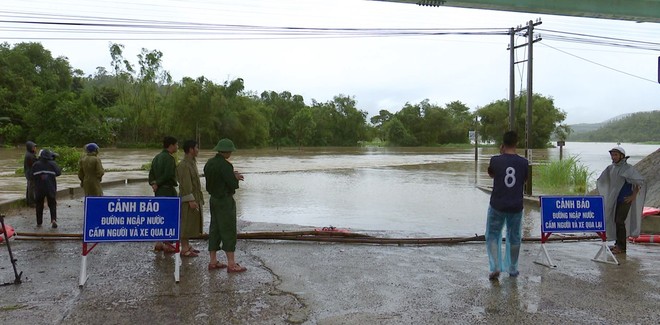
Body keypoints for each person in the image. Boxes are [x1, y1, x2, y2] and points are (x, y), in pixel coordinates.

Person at [485, 131, 528, 281]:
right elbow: (524, 180)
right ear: (516, 143)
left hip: (497, 204)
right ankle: (513, 268)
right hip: (516, 205)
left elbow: (492, 174)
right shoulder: (524, 162)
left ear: (503, 144)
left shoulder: (495, 160)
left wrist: (500, 154)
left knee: (492, 235)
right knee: (514, 237)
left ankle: (495, 266)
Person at [204, 138, 246, 273]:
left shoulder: (209, 164)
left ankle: (213, 261)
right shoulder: (226, 165)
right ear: (227, 152)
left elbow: (216, 178)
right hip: (224, 200)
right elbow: (233, 185)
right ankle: (231, 264)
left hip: (213, 199)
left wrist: (231, 175)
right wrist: (235, 177)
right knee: (228, 229)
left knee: (214, 229)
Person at [596, 146, 646, 254]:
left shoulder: (628, 168)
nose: (613, 157)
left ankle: (622, 247)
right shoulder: (611, 168)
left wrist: (633, 196)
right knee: (615, 221)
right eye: (612, 155)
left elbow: (639, 182)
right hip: (615, 199)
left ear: (622, 156)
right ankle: (617, 244)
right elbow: (603, 180)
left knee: (619, 221)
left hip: (625, 199)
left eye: (616, 155)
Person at [148, 136, 179, 253]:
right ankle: (168, 243)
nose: (177, 147)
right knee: (169, 216)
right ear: (171, 146)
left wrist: (154, 183)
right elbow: (169, 175)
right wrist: (158, 182)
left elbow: (151, 174)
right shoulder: (170, 159)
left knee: (159, 216)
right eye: (176, 145)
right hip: (168, 190)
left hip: (158, 192)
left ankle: (158, 242)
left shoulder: (156, 158)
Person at [176, 140, 204, 257]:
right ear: (191, 150)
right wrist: (190, 200)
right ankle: (184, 249)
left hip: (195, 196)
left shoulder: (192, 162)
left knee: (191, 223)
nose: (198, 150)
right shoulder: (184, 165)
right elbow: (186, 184)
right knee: (186, 223)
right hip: (187, 199)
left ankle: (187, 246)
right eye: (196, 148)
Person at [31, 149, 62, 228]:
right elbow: (58, 172)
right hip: (50, 187)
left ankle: (39, 222)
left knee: (39, 205)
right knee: (52, 204)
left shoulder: (36, 164)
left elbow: (31, 175)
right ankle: (53, 220)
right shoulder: (53, 164)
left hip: (39, 188)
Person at [24, 141, 38, 207]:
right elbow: (35, 164)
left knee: (29, 187)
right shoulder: (30, 156)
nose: (35, 148)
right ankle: (32, 203)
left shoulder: (29, 154)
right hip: (30, 173)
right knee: (31, 188)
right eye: (34, 147)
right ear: (30, 147)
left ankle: (29, 201)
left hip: (29, 173)